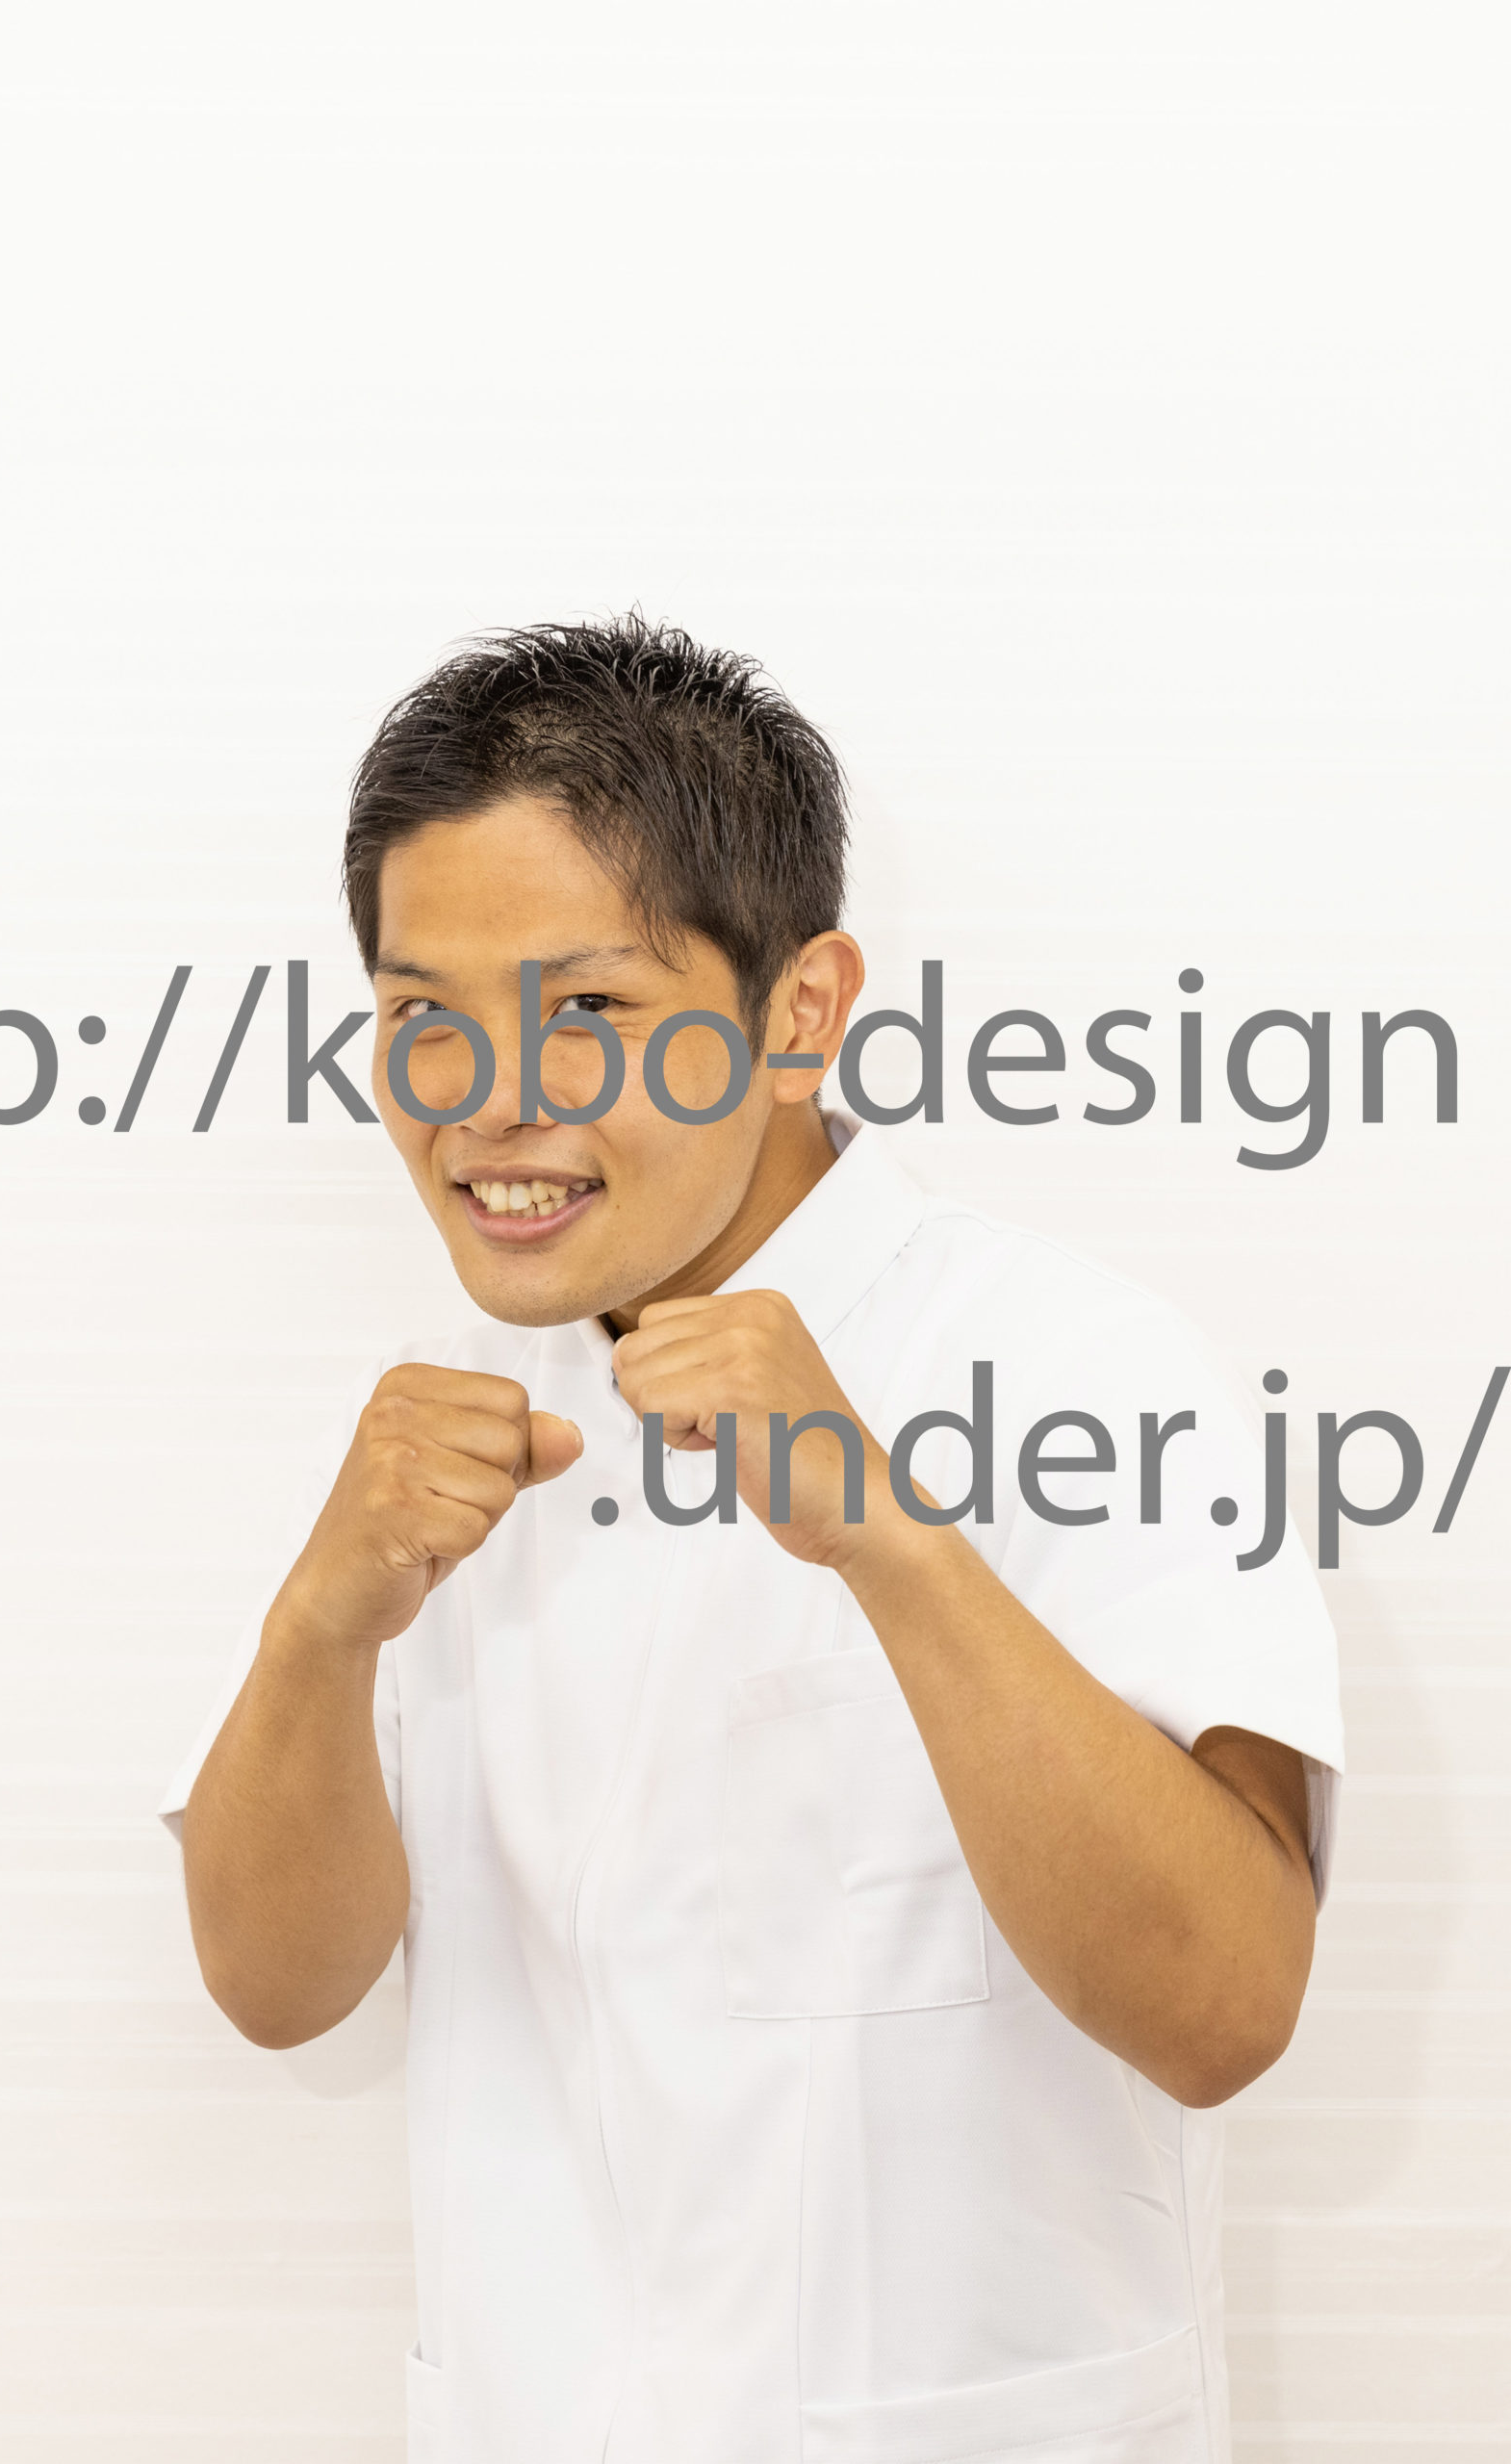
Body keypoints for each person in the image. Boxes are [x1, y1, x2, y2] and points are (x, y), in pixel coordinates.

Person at [161, 616, 1343, 2464]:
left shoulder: (1080, 1369)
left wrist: (890, 1541)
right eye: (420, 1017)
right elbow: (276, 1988)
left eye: (589, 1012)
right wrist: (321, 1625)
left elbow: (1224, 2008)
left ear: (800, 1011)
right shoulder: (429, 1436)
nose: (486, 1099)